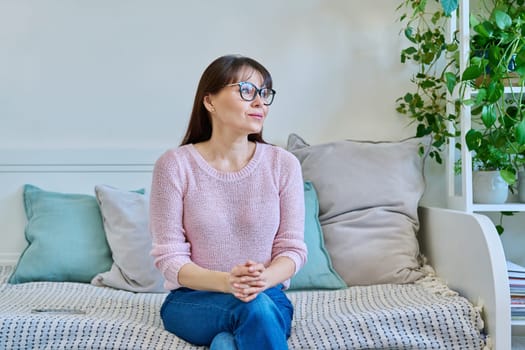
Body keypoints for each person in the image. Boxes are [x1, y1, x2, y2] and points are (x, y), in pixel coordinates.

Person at [149, 54, 307, 350]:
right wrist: (227, 282)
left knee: (229, 340)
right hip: (192, 301)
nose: (260, 102)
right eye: (246, 91)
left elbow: (292, 250)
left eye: (264, 93)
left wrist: (262, 279)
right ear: (209, 101)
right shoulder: (174, 165)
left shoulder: (283, 164)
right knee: (253, 309)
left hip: (268, 296)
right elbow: (169, 259)